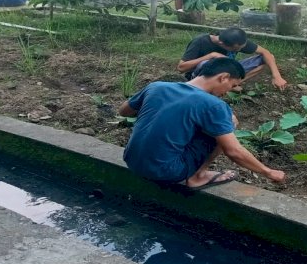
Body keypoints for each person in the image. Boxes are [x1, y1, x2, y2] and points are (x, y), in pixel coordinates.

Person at [119, 57, 286, 189]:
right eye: (233, 85)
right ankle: (198, 176)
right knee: (228, 123)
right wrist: (269, 172)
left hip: (131, 161)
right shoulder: (214, 105)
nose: (229, 91)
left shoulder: (157, 87)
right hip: (166, 171)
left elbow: (124, 111)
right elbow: (233, 151)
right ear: (223, 77)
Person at [177, 27, 288, 91]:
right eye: (236, 49)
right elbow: (181, 68)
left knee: (267, 58)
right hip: (200, 75)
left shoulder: (237, 41)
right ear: (222, 44)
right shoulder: (200, 42)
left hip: (227, 71)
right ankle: (212, 89)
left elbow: (265, 52)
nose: (239, 50)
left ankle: (232, 85)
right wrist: (211, 56)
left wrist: (276, 76)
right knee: (206, 63)